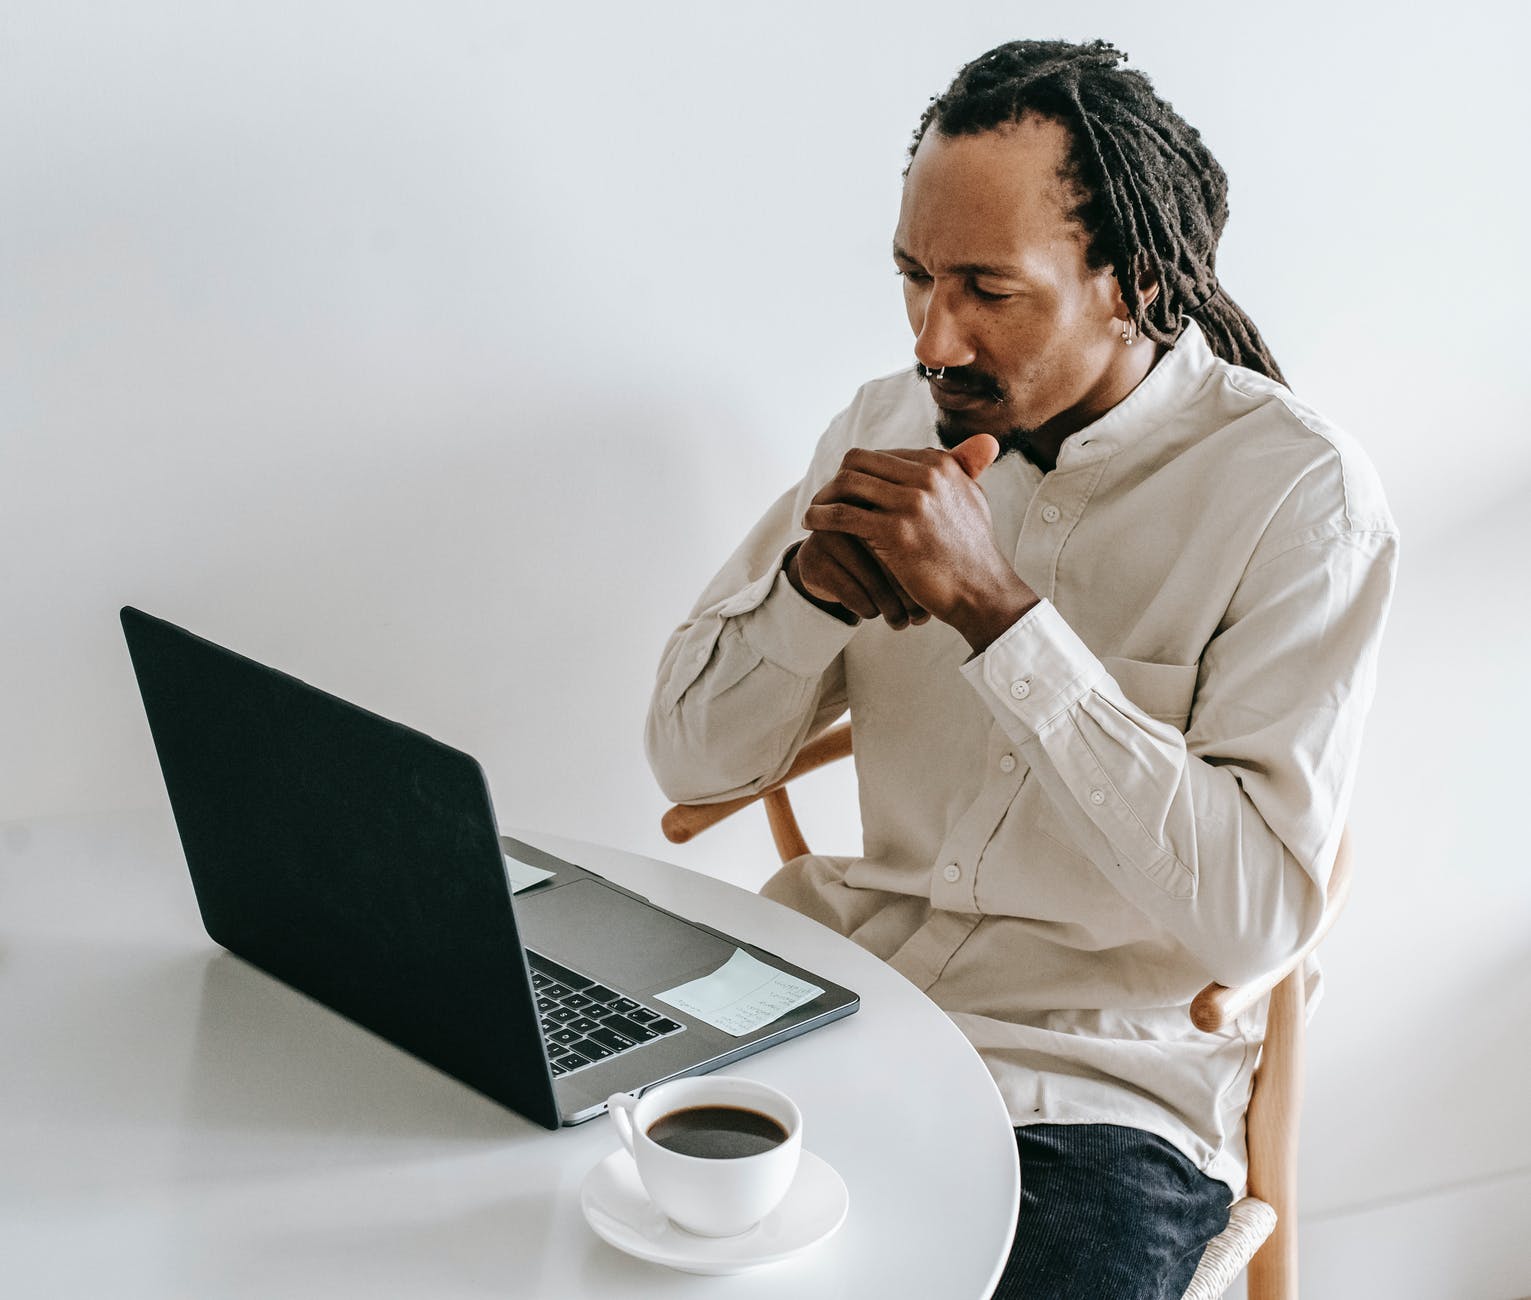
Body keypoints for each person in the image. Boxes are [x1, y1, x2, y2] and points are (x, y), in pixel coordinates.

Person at [645, 38, 1397, 1299]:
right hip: (837, 998)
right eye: (912, 276)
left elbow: (1261, 915)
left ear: (1135, 282)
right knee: (545, 1195)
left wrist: (1001, 616)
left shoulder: (1297, 498)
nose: (934, 335)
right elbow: (688, 760)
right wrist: (811, 592)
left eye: (986, 288)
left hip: (1095, 1093)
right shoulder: (882, 426)